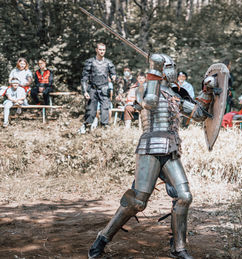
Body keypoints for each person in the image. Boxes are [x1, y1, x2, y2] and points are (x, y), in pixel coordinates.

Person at [88, 53, 217, 259]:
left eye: (172, 66)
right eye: (168, 66)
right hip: (150, 147)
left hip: (171, 149)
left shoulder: (175, 95)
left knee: (184, 197)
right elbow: (150, 102)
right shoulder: (145, 88)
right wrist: (154, 70)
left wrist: (207, 90)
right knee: (138, 202)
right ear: (160, 68)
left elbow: (200, 114)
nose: (172, 70)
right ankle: (102, 238)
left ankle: (179, 247)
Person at [79, 43, 116, 133]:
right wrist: (85, 91)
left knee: (105, 109)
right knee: (91, 110)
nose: (102, 51)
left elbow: (114, 75)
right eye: (100, 49)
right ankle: (87, 128)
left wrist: (114, 77)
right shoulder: (90, 62)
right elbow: (84, 78)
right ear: (96, 50)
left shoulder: (108, 63)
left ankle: (104, 129)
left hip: (104, 88)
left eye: (103, 50)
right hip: (93, 88)